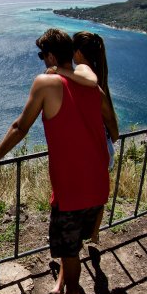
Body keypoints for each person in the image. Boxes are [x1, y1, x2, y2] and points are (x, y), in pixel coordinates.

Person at [0, 28, 110, 294]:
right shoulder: (90, 83)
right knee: (72, 243)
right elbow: (105, 116)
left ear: (51, 56)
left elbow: (20, 127)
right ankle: (62, 285)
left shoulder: (47, 83)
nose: (42, 61)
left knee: (68, 248)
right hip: (97, 180)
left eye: (42, 55)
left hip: (73, 186)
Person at [46, 31, 119, 244]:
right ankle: (94, 234)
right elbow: (110, 121)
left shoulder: (83, 70)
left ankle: (76, 238)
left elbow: (90, 80)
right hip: (104, 143)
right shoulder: (97, 73)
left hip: (96, 145)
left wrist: (58, 69)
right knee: (97, 193)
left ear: (77, 52)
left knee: (79, 194)